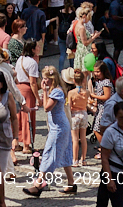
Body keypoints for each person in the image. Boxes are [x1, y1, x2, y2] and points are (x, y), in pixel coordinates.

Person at [23, 65, 76, 197]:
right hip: (59, 126)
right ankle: (71, 184)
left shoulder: (56, 91)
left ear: (52, 79)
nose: (44, 81)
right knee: (64, 154)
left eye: (46, 79)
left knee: (49, 153)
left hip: (58, 128)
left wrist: (45, 91)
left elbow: (47, 108)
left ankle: (38, 184)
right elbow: (44, 104)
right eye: (43, 78)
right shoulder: (55, 91)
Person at [15, 39, 42, 156]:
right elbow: (33, 82)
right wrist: (38, 98)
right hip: (27, 90)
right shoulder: (32, 63)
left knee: (18, 116)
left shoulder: (19, 60)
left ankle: (16, 142)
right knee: (28, 117)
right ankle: (27, 144)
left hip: (18, 87)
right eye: (37, 46)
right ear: (32, 49)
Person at [65, 67, 92, 167]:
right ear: (84, 80)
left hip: (74, 115)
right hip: (84, 114)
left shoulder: (71, 93)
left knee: (75, 139)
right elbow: (88, 103)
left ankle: (75, 159)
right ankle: (83, 159)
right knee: (83, 138)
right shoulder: (87, 92)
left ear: (73, 80)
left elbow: (69, 106)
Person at [73, 3, 101, 70]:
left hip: (79, 50)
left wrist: (91, 35)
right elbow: (85, 43)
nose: (89, 20)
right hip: (84, 52)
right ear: (84, 16)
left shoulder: (77, 24)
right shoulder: (82, 27)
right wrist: (94, 36)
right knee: (85, 73)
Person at [57, 0, 76, 72]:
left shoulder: (59, 12)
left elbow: (57, 23)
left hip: (61, 35)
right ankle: (72, 69)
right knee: (71, 54)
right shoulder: (73, 13)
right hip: (70, 36)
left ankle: (60, 70)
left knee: (62, 55)